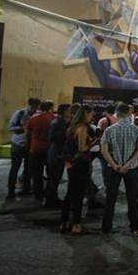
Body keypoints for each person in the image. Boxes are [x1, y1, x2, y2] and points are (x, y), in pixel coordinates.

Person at [100, 103, 138, 236]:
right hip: (131, 168)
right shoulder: (136, 129)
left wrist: (114, 165)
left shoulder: (109, 130)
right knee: (132, 199)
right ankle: (135, 228)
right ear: (129, 114)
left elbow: (104, 150)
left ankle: (106, 228)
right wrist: (128, 163)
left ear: (116, 114)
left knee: (110, 199)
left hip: (113, 168)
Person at [60, 106, 96, 234]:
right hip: (80, 165)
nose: (92, 116)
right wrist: (93, 142)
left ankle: (64, 222)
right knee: (79, 195)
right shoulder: (82, 128)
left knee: (70, 193)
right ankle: (76, 224)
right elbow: (82, 148)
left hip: (71, 164)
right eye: (91, 114)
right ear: (86, 113)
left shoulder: (72, 127)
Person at [7, 98, 38, 199]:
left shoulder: (36, 116)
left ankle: (26, 189)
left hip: (29, 145)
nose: (34, 109)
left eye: (36, 107)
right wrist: (22, 128)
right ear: (29, 105)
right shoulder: (20, 113)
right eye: (33, 107)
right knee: (15, 168)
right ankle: (11, 190)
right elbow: (10, 127)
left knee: (28, 169)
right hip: (18, 144)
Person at [25, 100, 55, 205]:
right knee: (51, 173)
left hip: (35, 148)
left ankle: (38, 195)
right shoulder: (53, 118)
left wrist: (28, 147)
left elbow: (27, 134)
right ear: (51, 108)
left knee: (37, 174)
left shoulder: (33, 118)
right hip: (49, 149)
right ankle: (50, 194)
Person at [45, 104, 73, 209]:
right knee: (53, 178)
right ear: (64, 111)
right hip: (56, 154)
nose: (71, 112)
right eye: (69, 110)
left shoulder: (62, 122)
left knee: (56, 178)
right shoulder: (57, 122)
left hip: (59, 154)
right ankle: (50, 200)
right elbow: (52, 138)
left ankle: (53, 198)